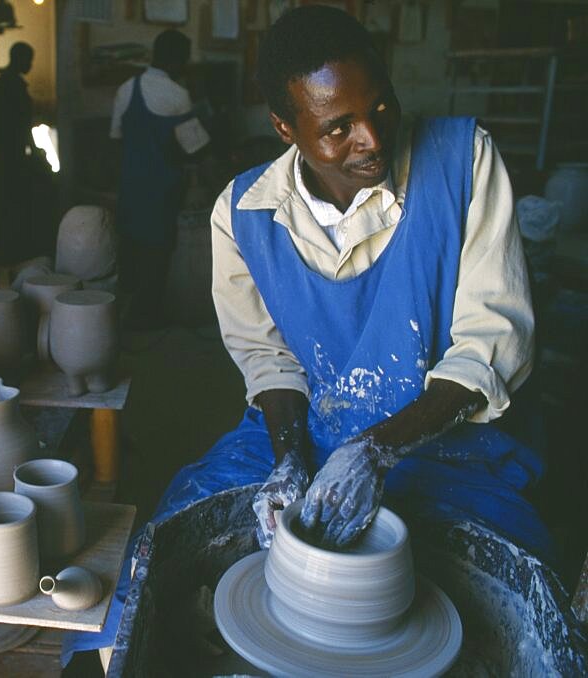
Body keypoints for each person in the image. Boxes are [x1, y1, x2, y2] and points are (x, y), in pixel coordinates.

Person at [64, 5, 554, 668]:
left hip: (445, 441)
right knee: (158, 560)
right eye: (337, 128)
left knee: (518, 585)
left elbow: (491, 340)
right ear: (286, 127)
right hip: (308, 428)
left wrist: (377, 452)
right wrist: (292, 457)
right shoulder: (244, 214)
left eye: (380, 106)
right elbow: (268, 360)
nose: (372, 140)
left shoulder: (464, 160)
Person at [111, 29, 210, 330]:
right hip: (163, 190)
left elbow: (116, 140)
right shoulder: (177, 94)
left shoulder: (127, 88)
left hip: (130, 187)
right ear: (176, 59)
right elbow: (196, 147)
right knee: (157, 257)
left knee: (130, 254)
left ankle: (125, 320)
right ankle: (147, 322)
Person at [0, 42, 37, 265]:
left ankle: (6, 252)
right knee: (12, 206)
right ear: (19, 59)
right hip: (11, 156)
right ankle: (9, 254)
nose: (30, 65)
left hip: (1, 155)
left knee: (7, 208)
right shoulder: (13, 86)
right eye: (29, 60)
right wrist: (33, 151)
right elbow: (20, 126)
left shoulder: (1, 84)